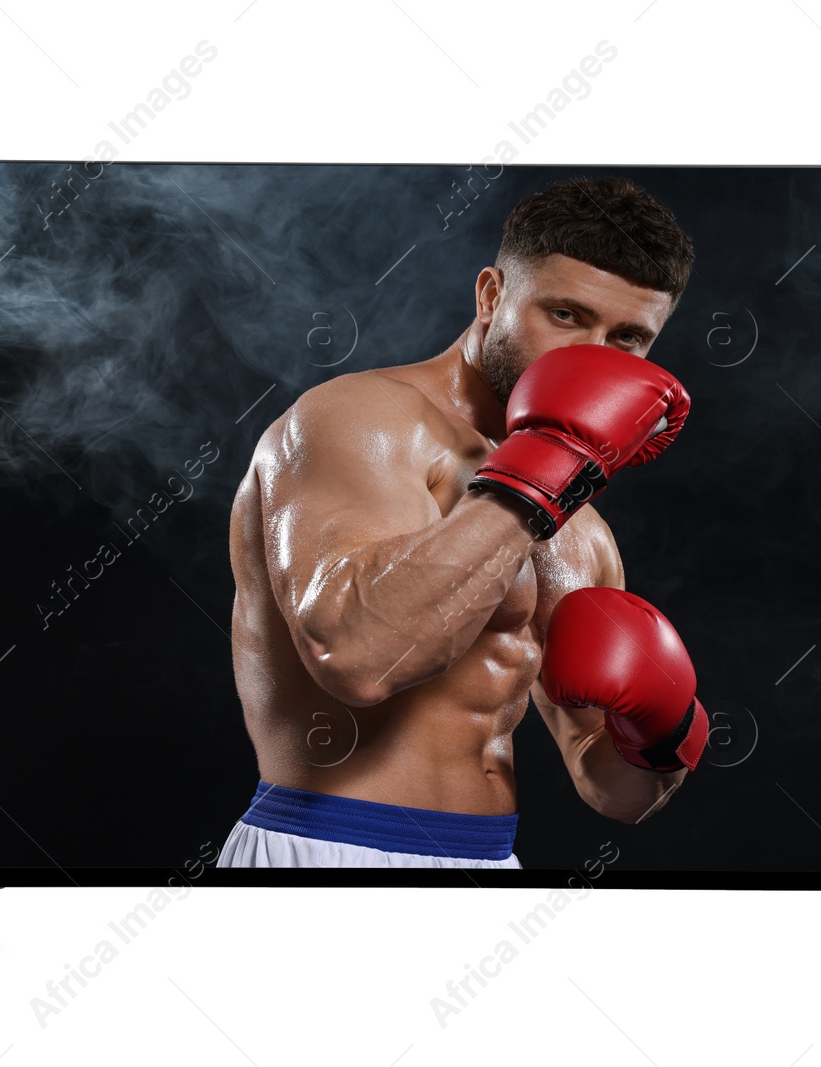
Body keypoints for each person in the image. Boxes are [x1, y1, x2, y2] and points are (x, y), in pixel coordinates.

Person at [217, 176, 709, 868]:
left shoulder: (585, 529)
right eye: (565, 314)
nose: (592, 356)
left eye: (628, 337)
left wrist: (666, 727)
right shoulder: (358, 421)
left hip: (489, 861)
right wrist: (543, 472)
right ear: (490, 296)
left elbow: (615, 793)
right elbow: (355, 657)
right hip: (328, 849)